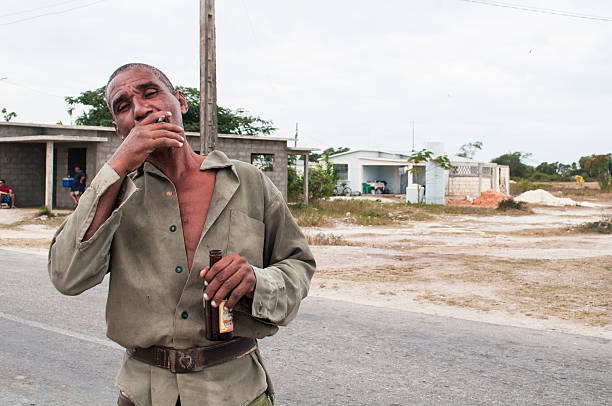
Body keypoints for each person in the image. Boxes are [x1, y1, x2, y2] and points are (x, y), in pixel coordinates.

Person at [48, 63, 315, 406]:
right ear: (119, 130)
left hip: (238, 391)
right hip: (144, 394)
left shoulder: (249, 182)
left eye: (150, 93)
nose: (141, 109)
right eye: (123, 106)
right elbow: (66, 276)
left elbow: (298, 264)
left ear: (180, 102)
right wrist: (116, 167)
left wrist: (256, 280)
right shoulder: (116, 194)